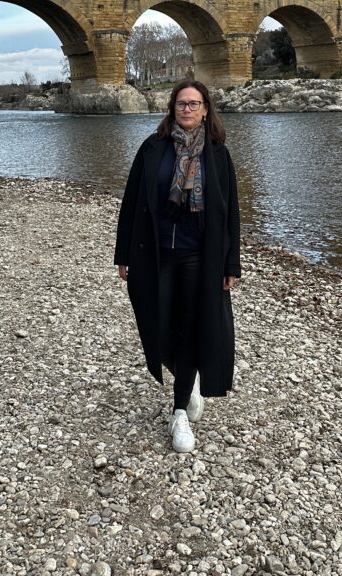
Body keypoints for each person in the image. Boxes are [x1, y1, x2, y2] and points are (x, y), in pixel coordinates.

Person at [114, 79, 241, 453]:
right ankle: (189, 377)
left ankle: (180, 408)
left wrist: (231, 263)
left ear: (205, 110)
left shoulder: (218, 154)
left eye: (194, 103)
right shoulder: (152, 148)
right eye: (181, 103)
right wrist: (123, 253)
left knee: (189, 329)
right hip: (154, 254)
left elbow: (230, 212)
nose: (187, 109)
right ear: (172, 108)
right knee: (156, 327)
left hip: (199, 256)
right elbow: (132, 201)